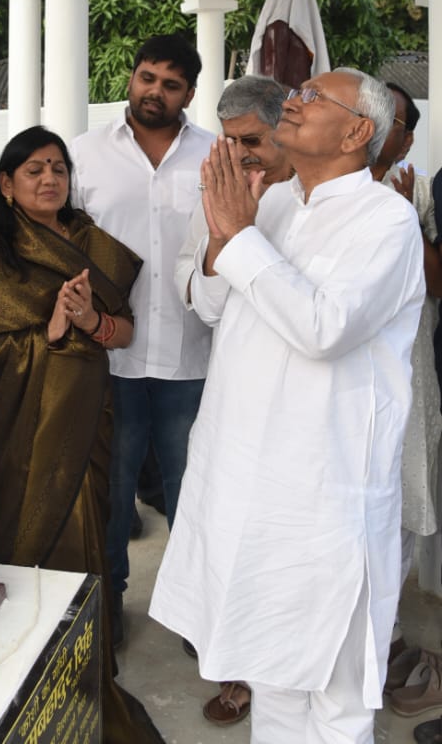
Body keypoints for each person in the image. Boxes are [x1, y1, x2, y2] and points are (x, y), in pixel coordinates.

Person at [150, 69, 425, 744]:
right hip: (255, 487)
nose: (292, 102)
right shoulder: (274, 203)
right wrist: (225, 231)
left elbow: (323, 328)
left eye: (312, 97)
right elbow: (216, 307)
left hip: (324, 498)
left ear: (358, 131)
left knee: (331, 697)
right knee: (270, 669)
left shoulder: (385, 220)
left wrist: (239, 238)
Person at [0, 126, 162, 744]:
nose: (49, 179)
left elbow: (124, 332)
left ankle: (84, 672)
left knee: (92, 531)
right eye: (34, 169)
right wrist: (50, 328)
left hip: (87, 412)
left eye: (58, 168)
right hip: (24, 432)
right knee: (36, 540)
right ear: (6, 184)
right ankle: (32, 677)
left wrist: (90, 319)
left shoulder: (89, 240)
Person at [70, 32, 214, 644]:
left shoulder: (215, 156)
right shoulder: (82, 155)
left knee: (194, 491)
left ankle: (193, 611)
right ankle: (110, 606)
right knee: (111, 489)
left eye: (171, 84)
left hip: (191, 358)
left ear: (189, 93)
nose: (154, 91)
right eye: (146, 77)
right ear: (131, 76)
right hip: (110, 360)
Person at [174, 74, 291, 728]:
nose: (240, 153)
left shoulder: (314, 198)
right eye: (229, 140)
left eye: (252, 140)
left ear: (287, 133)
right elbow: (209, 304)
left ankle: (283, 679)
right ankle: (236, 670)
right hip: (236, 404)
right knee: (228, 541)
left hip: (300, 409)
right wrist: (225, 231)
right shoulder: (216, 192)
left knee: (283, 550)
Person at [370, 83, 441, 661]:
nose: (370, 124)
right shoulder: (301, 188)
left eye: (385, 117)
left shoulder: (413, 194)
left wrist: (405, 217)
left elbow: (435, 284)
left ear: (406, 137)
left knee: (399, 492)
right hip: (335, 375)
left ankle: (386, 636)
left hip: (406, 368)